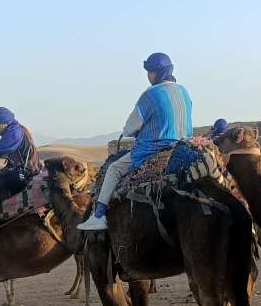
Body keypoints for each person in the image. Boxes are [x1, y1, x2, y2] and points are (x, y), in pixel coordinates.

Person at [78, 52, 193, 231]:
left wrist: (131, 130)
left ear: (155, 73)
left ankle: (99, 215)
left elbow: (131, 127)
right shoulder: (183, 91)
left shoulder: (151, 94)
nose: (148, 76)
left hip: (154, 150)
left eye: (149, 72)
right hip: (180, 148)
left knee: (114, 169)